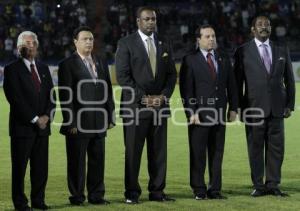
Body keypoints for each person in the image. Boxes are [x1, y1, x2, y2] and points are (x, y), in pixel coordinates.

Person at [115, 6, 177, 204]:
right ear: (138, 22)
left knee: (159, 154)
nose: (151, 22)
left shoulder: (164, 44)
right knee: (133, 154)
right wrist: (144, 98)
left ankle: (157, 192)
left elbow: (171, 75)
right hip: (135, 108)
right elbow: (123, 77)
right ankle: (132, 194)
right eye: (147, 19)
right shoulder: (126, 43)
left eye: (153, 19)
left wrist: (163, 97)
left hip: (159, 108)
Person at [234, 16, 295, 197]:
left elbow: (289, 80)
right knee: (255, 149)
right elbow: (238, 83)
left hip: (277, 109)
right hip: (253, 109)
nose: (264, 27)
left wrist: (289, 105)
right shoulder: (242, 51)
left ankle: (273, 184)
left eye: (267, 24)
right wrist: (238, 107)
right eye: (260, 25)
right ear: (253, 29)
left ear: (271, 28)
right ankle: (258, 186)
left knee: (276, 149)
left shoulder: (281, 49)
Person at [58, 26, 115, 205]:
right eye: (85, 39)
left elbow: (108, 89)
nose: (89, 42)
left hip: (99, 122)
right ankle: (77, 197)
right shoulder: (67, 64)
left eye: (91, 39)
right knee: (77, 163)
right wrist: (71, 121)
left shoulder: (100, 60)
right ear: (75, 42)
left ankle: (96, 196)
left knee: (98, 161)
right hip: (78, 123)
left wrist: (110, 115)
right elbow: (65, 96)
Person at [179, 25, 238, 200]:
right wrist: (191, 113)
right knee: (198, 154)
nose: (211, 39)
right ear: (198, 40)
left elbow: (232, 85)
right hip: (199, 116)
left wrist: (234, 107)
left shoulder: (223, 58)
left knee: (217, 153)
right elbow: (186, 90)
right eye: (207, 36)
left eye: (213, 36)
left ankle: (215, 189)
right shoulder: (190, 60)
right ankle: (199, 189)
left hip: (220, 114)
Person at [3, 31, 56, 211]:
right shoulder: (11, 69)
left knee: (40, 168)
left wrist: (47, 116)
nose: (30, 46)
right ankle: (20, 203)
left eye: (33, 43)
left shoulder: (43, 67)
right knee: (20, 169)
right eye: (26, 43)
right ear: (19, 48)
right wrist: (35, 119)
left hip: (43, 128)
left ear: (37, 46)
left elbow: (51, 96)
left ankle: (38, 201)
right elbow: (15, 99)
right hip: (22, 128)